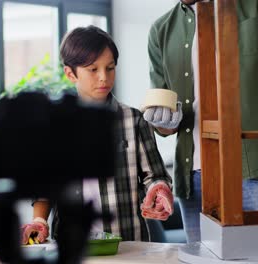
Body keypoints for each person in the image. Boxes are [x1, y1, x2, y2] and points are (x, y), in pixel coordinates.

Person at [144, 0, 258, 243]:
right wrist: (162, 121)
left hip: (257, 169)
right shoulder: (160, 30)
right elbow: (164, 118)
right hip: (194, 177)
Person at [20, 25, 174, 244]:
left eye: (110, 68)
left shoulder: (134, 119)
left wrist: (159, 191)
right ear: (70, 73)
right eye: (93, 69)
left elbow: (155, 175)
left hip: (128, 243)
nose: (104, 77)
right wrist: (39, 222)